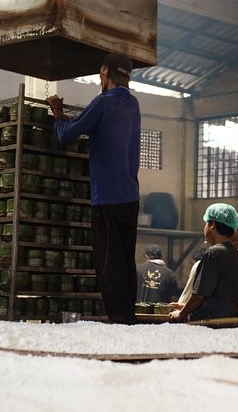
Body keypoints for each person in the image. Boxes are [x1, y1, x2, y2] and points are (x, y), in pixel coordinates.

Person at [47, 53, 140, 324]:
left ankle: (120, 320)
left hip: (107, 198)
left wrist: (57, 114)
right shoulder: (133, 104)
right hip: (130, 197)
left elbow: (66, 134)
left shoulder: (103, 102)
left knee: (108, 262)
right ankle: (128, 317)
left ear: (104, 71)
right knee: (124, 261)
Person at [170, 204, 238, 321]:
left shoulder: (213, 253)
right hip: (229, 322)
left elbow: (199, 296)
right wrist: (186, 307)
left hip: (208, 325)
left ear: (212, 224)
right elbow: (221, 300)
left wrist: (181, 313)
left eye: (206, 223)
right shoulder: (237, 256)